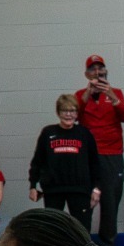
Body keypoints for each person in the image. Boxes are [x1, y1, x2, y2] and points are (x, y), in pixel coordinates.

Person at [76, 56, 124, 246]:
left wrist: (112, 96)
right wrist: (88, 94)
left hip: (112, 155)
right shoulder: (80, 95)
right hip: (87, 157)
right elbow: (74, 114)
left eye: (101, 68)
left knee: (110, 204)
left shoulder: (116, 93)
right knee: (85, 204)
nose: (97, 72)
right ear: (86, 74)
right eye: (93, 69)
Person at [28, 94, 101, 228]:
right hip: (53, 190)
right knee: (53, 229)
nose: (68, 115)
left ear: (77, 113)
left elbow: (95, 163)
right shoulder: (48, 132)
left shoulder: (84, 133)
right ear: (58, 112)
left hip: (80, 190)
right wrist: (33, 185)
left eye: (72, 111)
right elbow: (37, 161)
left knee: (81, 229)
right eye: (64, 111)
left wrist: (97, 188)